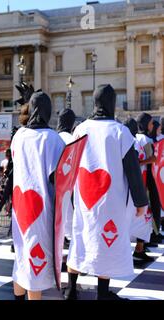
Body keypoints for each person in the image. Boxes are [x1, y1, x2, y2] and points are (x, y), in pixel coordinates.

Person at [65, 85, 148, 300]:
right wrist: (141, 201)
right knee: (106, 241)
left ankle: (71, 290)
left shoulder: (80, 129)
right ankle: (102, 294)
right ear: (112, 104)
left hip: (84, 197)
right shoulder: (120, 132)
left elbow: (70, 166)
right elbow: (133, 170)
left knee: (80, 236)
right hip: (111, 200)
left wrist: (71, 197)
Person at [11, 92, 66, 301]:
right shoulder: (53, 139)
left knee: (21, 256)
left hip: (20, 206)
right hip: (42, 207)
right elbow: (58, 179)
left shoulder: (19, 136)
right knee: (36, 258)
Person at [124, 118, 153, 263]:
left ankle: (139, 249)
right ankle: (131, 251)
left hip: (140, 182)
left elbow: (152, 157)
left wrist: (138, 163)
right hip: (132, 185)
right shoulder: (127, 142)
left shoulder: (140, 140)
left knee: (142, 219)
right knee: (133, 219)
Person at [136, 113, 161, 246]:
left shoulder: (136, 137)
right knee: (148, 211)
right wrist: (150, 160)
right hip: (146, 180)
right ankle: (144, 243)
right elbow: (151, 160)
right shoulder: (147, 140)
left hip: (139, 179)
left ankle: (142, 244)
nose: (152, 126)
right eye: (151, 123)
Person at [56, 108, 77, 245]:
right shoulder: (73, 138)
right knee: (69, 211)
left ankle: (60, 236)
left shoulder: (53, 137)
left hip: (55, 181)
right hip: (71, 181)